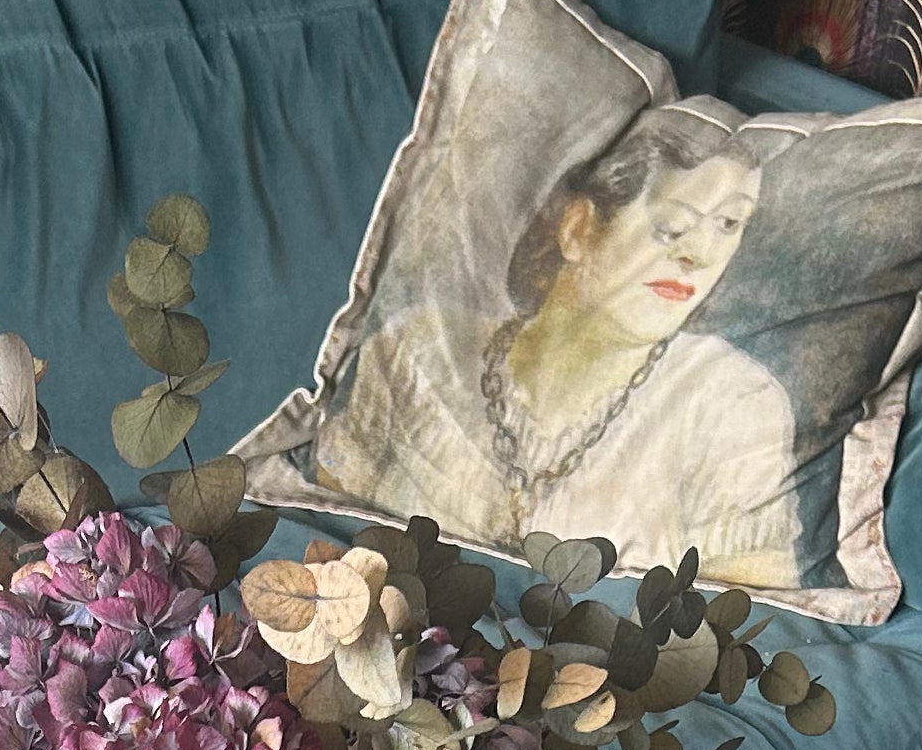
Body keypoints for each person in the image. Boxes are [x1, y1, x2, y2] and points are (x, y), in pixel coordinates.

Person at [309, 109, 804, 588]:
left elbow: (753, 620)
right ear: (578, 229)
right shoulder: (416, 348)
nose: (698, 256)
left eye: (729, 225)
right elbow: (320, 529)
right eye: (673, 225)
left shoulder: (732, 403)